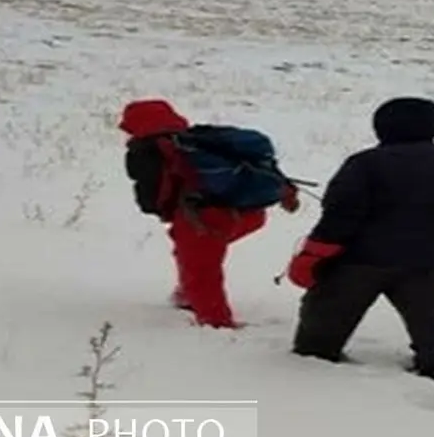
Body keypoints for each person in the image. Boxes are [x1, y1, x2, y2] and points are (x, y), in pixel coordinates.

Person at [282, 96, 434, 383]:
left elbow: (340, 214)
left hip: (358, 263)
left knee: (322, 327)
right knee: (431, 320)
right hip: (427, 264)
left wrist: (314, 255)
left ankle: (317, 355)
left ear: (381, 127)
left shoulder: (364, 164)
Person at [119, 98, 300, 329]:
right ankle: (186, 294)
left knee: (201, 269)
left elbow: (156, 194)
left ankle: (216, 322)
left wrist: (169, 210)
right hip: (248, 213)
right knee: (191, 252)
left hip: (203, 216)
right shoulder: (199, 140)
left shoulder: (155, 149)